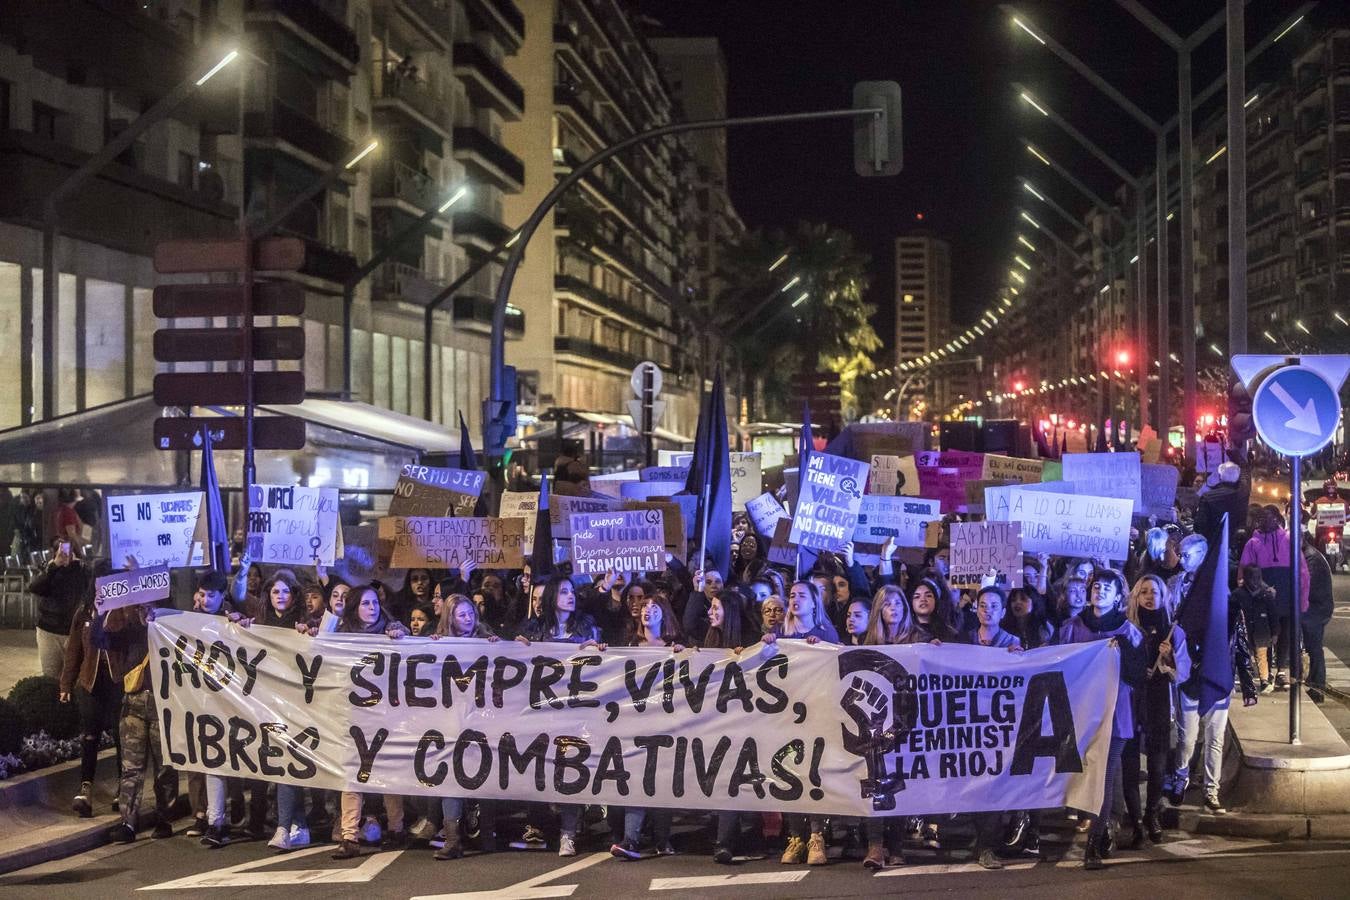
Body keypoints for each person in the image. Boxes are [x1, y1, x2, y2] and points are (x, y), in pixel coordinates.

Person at [1056, 570, 1145, 870]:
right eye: (1096, 586)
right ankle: (1097, 826)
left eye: (1108, 588)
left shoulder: (1129, 633)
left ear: (1119, 596)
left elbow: (1136, 676)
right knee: (1084, 775)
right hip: (1080, 714)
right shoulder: (1071, 628)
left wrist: (1120, 656)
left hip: (1114, 715)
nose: (1100, 591)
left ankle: (1094, 841)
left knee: (1103, 778)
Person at [513, 575, 602, 856]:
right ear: (552, 597)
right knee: (539, 768)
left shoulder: (585, 625)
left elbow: (599, 664)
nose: (571, 596)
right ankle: (537, 825)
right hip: (542, 713)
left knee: (570, 770)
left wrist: (597, 649)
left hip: (574, 713)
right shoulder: (533, 628)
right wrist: (514, 648)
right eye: (564, 592)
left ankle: (568, 833)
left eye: (572, 591)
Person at [331, 585, 410, 860]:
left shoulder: (393, 629)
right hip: (354, 717)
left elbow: (413, 657)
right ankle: (350, 835)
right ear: (354, 608)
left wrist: (401, 638)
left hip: (388, 716)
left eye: (375, 603)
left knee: (388, 772)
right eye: (365, 604)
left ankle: (397, 828)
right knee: (353, 774)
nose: (372, 608)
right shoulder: (342, 636)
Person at [610, 595, 683, 860]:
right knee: (637, 782)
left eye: (654, 607)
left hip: (665, 723)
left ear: (665, 614)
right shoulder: (629, 645)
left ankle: (662, 839)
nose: (647, 611)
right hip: (635, 724)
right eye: (644, 608)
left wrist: (685, 655)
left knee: (660, 781)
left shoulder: (676, 646)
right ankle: (631, 840)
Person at [428, 595, 500, 859]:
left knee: (485, 776)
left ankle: (487, 834)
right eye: (461, 615)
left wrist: (501, 647)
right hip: (451, 722)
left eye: (470, 613)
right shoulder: (438, 642)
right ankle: (452, 839)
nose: (468, 619)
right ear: (450, 619)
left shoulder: (487, 639)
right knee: (452, 778)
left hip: (483, 720)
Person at [1123, 574, 1190, 847]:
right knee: (1129, 766)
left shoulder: (1175, 632)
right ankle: (1136, 821)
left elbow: (1182, 673)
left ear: (1164, 597)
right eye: (1144, 592)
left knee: (1158, 764)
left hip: (1160, 702)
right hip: (1129, 702)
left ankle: (1152, 813)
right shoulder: (1126, 629)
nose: (1150, 597)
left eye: (1155, 592)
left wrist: (1170, 658)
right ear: (1136, 597)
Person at [106, 596, 179, 844]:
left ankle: (165, 818)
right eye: (140, 607)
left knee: (165, 766)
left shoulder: (171, 631)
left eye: (149, 607)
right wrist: (100, 612)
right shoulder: (132, 632)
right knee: (131, 769)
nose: (143, 612)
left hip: (163, 706)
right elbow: (102, 639)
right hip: (134, 706)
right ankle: (127, 822)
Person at [775, 579, 837, 866]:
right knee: (788, 774)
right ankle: (796, 837)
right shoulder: (777, 634)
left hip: (816, 715)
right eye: (791, 595)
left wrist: (821, 647)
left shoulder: (825, 632)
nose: (794, 599)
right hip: (784, 716)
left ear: (814, 602)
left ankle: (816, 836)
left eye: (801, 595)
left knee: (812, 774)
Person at [60, 560, 128, 819]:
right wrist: (66, 683)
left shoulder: (124, 611)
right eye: (100, 581)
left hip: (117, 682)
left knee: (121, 734)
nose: (104, 586)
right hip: (89, 683)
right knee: (89, 735)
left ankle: (123, 787)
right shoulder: (84, 611)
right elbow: (73, 650)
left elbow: (126, 639)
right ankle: (85, 789)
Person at [1239, 506, 1309, 689]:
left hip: (1285, 598)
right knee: (1265, 635)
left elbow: (1303, 573)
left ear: (1277, 519)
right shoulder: (1253, 543)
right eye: (1263, 517)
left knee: (1284, 633)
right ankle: (1266, 672)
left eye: (1270, 517)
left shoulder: (1288, 540)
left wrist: (1302, 601)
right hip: (1263, 599)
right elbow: (1244, 573)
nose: (1266, 521)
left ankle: (1281, 671)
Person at [28, 538, 86, 676]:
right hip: (49, 630)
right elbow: (34, 587)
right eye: (61, 550)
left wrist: (78, 564)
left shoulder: (81, 570)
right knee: (50, 676)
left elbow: (93, 586)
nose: (65, 553)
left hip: (73, 632)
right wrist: (54, 565)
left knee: (72, 677)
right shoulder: (50, 569)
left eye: (69, 550)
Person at [1231, 565, 1275, 692]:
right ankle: (1248, 680)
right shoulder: (1238, 594)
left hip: (1261, 631)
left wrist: (1275, 632)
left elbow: (1273, 615)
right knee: (1244, 656)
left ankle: (1264, 680)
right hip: (1245, 631)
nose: (1254, 581)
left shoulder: (1266, 595)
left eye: (1256, 578)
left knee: (1261, 656)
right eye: (1251, 578)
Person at [1301, 533, 1334, 704]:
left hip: (1316, 609)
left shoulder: (1311, 559)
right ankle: (1314, 683)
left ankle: (1318, 687)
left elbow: (1305, 585)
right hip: (1315, 606)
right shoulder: (1309, 555)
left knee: (1314, 649)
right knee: (1313, 648)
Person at [1166, 534, 1210, 615]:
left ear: (1201, 554)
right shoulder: (1174, 582)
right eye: (1180, 555)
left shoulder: (1213, 585)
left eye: (1186, 555)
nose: (1181, 561)